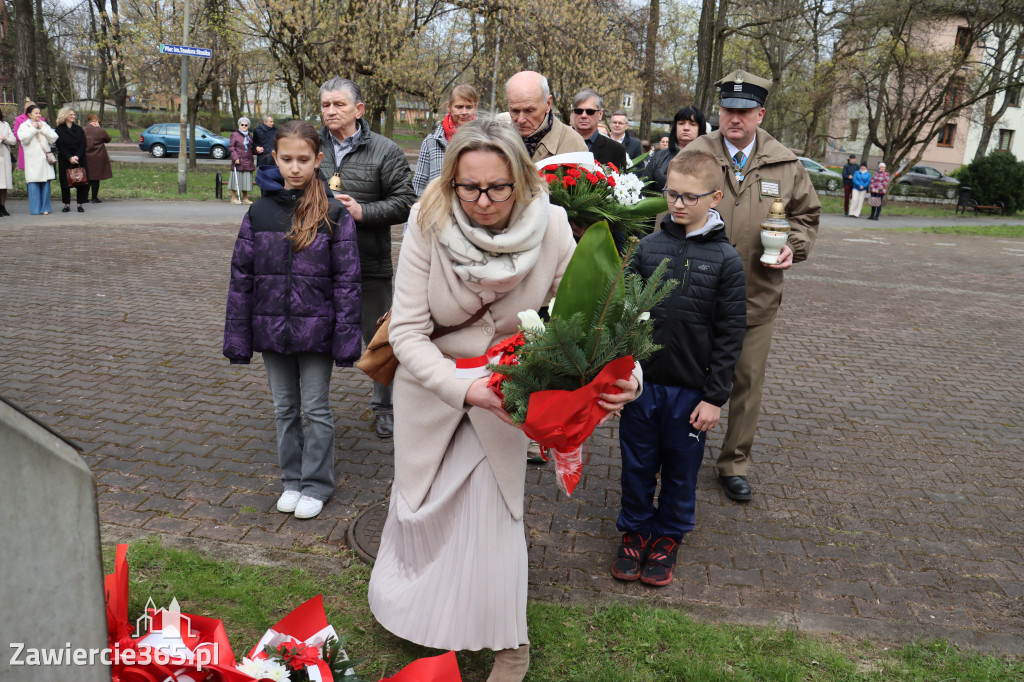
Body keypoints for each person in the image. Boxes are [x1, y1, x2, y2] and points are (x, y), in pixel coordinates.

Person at [367, 117, 639, 682]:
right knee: (422, 511)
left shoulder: (557, 226)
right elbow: (408, 333)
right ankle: (421, 616)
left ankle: (511, 644)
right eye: (470, 187)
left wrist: (628, 374)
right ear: (450, 182)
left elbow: (599, 313)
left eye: (498, 187)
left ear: (522, 181)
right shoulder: (427, 219)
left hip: (510, 392)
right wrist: (463, 388)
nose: (483, 200)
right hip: (435, 389)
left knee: (494, 520)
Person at [613, 149, 746, 587]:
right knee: (636, 463)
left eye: (691, 197)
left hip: (691, 394)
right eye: (673, 194)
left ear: (715, 196)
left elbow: (730, 336)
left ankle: (668, 535)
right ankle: (634, 530)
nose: (679, 204)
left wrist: (714, 397)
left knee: (680, 469)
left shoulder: (726, 261)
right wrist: (616, 380)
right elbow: (621, 317)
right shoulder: (647, 248)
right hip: (641, 388)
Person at [687, 70, 819, 502]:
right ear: (718, 111)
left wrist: (792, 248)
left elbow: (805, 217)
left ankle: (734, 463)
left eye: (744, 112)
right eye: (728, 110)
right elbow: (668, 211)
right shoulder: (696, 155)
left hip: (756, 293)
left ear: (760, 113)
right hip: (698, 294)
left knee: (745, 382)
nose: (735, 119)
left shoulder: (785, 163)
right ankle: (681, 453)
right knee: (689, 376)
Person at [223, 120, 363, 520]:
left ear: (319, 160)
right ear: (274, 157)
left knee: (316, 409)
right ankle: (291, 479)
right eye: (287, 159)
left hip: (317, 331)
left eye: (304, 159)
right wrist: (239, 336)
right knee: (285, 408)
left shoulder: (334, 213)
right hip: (272, 331)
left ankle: (316, 484)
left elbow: (348, 282)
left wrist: (346, 338)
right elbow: (242, 278)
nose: (295, 167)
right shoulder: (260, 212)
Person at [316, 76, 416, 439]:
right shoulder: (311, 145)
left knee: (380, 341)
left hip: (368, 264)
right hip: (318, 266)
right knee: (315, 336)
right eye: (326, 105)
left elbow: (406, 202)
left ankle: (386, 408)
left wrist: (363, 212)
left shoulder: (386, 150)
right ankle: (313, 408)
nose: (330, 111)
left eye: (338, 104)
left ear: (358, 109)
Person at [502, 70, 587, 162]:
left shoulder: (573, 144)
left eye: (529, 111)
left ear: (548, 103)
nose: (520, 120)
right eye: (515, 111)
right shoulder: (498, 140)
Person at [414, 84, 479, 196]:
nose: (464, 112)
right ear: (449, 106)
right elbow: (418, 185)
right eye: (459, 107)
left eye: (469, 107)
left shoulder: (485, 139)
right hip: (438, 208)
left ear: (475, 107)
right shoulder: (432, 141)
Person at [643, 105, 706, 189]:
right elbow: (644, 188)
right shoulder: (659, 156)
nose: (686, 128)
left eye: (692, 124)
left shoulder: (709, 158)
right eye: (681, 123)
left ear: (700, 128)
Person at [569, 88, 626, 168]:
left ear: (600, 114)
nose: (584, 115)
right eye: (579, 111)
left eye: (590, 111)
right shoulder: (559, 143)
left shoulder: (616, 150)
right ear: (573, 113)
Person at [17, 104, 57, 215]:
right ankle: (35, 209)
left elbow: (54, 138)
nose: (38, 115)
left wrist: (43, 129)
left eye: (39, 113)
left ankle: (45, 208)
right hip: (32, 160)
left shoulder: (44, 124)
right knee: (33, 184)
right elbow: (23, 140)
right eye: (36, 113)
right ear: (29, 114)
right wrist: (34, 129)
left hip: (45, 160)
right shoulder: (24, 126)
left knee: (45, 184)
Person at [54, 107, 90, 213]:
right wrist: (69, 157)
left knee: (81, 181)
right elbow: (60, 146)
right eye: (71, 115)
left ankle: (80, 204)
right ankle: (67, 204)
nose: (73, 116)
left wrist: (77, 156)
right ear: (65, 116)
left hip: (80, 159)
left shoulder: (79, 129)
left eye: (74, 115)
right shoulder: (59, 129)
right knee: (65, 183)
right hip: (65, 159)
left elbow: (83, 145)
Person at [83, 114, 113, 203]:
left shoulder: (83, 130)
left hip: (86, 157)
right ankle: (94, 197)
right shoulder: (100, 131)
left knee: (87, 178)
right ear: (96, 122)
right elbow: (108, 139)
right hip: (98, 157)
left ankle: (84, 197)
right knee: (96, 178)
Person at [229, 117, 256, 205]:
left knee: (245, 180)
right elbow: (231, 147)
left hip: (248, 160)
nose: (244, 126)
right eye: (242, 124)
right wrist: (235, 158)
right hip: (238, 160)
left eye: (246, 125)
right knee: (236, 179)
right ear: (239, 125)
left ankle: (245, 198)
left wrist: (257, 150)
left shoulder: (249, 135)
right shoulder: (235, 134)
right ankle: (233, 198)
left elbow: (251, 147)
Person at [0, 109, 15, 217]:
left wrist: (4, 139)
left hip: (4, 156)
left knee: (3, 183)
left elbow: (13, 140)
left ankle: (2, 206)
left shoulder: (5, 124)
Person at [14, 98, 35, 172]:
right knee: (28, 171)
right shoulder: (19, 119)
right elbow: (16, 134)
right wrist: (25, 139)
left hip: (38, 147)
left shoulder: (40, 119)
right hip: (25, 147)